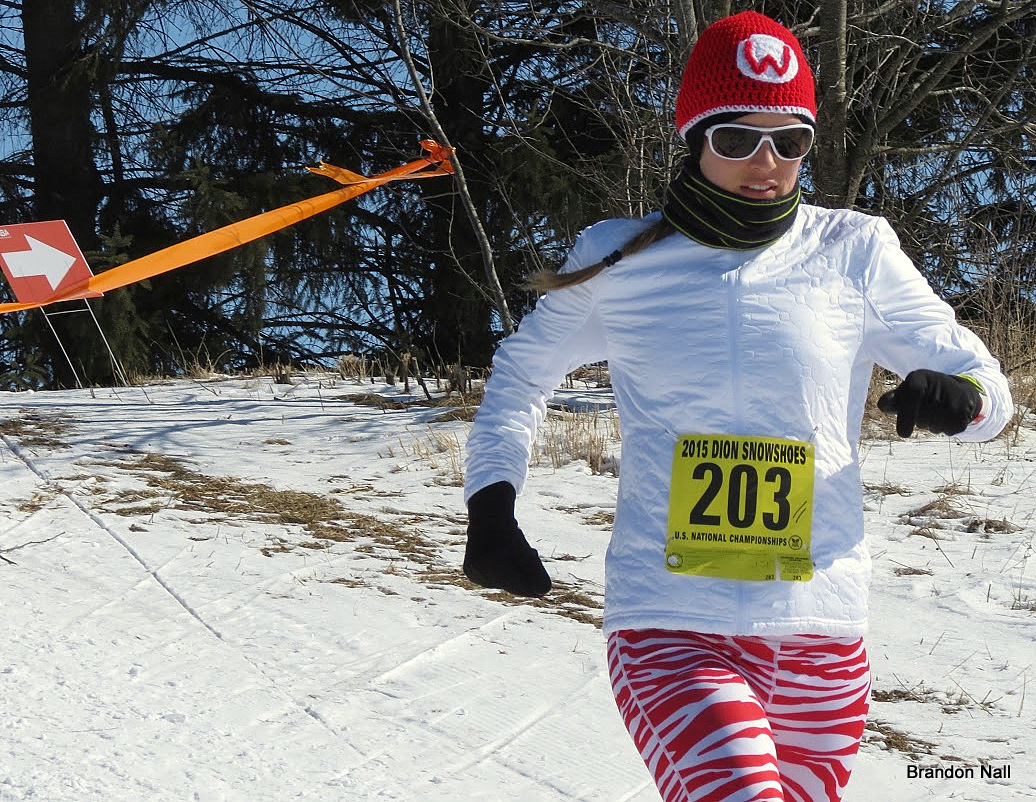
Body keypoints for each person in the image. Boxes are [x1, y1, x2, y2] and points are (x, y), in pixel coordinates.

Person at [462, 10, 1013, 802]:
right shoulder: (619, 258)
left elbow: (991, 395)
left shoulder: (853, 249)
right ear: (693, 139)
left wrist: (960, 402)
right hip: (672, 618)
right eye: (737, 139)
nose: (766, 161)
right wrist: (490, 502)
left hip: (822, 624)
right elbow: (519, 379)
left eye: (790, 141)